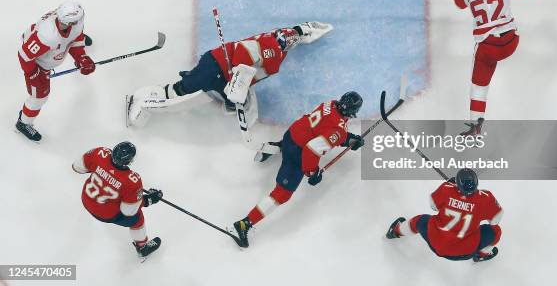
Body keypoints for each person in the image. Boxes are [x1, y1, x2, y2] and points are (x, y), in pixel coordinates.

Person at [127, 21, 333, 127]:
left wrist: (306, 31)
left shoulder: (280, 39)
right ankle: (153, 96)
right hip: (216, 65)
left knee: (232, 100)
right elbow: (243, 54)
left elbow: (296, 33)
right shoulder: (271, 47)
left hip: (226, 75)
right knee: (186, 88)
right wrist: (238, 80)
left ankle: (226, 98)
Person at [232, 91, 364, 247]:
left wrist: (349, 139)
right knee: (282, 194)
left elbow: (326, 127)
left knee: (303, 134)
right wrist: (312, 172)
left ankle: (277, 146)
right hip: (297, 153)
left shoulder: (330, 104)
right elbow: (312, 149)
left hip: (292, 133)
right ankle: (244, 224)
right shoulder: (339, 130)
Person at [451, 0, 538, 135]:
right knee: (507, 30)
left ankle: (475, 125)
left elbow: (459, 3)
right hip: (510, 42)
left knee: (479, 86)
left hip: (488, 48)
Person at [16, 2, 96, 141]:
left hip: (50, 43)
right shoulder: (47, 36)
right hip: (37, 63)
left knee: (74, 35)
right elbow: (24, 56)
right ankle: (23, 123)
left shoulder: (73, 23)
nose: (80, 23)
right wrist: (34, 74)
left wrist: (81, 56)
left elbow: (76, 37)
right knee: (39, 98)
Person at [385, 168, 503, 262]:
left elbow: (433, 206)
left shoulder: (446, 189)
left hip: (436, 243)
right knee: (496, 231)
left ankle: (395, 232)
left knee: (419, 221)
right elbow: (496, 220)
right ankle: (481, 255)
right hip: (467, 251)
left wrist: (449, 185)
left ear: (457, 184)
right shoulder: (486, 198)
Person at [72, 141, 164, 260]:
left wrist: (101, 171)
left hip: (86, 199)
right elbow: (129, 211)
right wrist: (148, 199)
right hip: (105, 214)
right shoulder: (132, 181)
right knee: (137, 219)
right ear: (129, 161)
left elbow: (77, 167)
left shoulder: (99, 153)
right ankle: (142, 247)